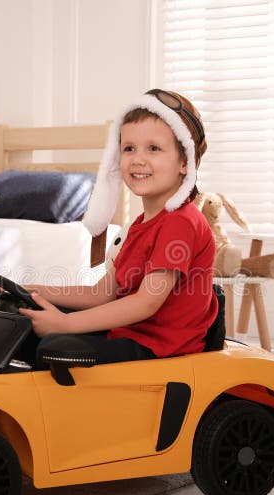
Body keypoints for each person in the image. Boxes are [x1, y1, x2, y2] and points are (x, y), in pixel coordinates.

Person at [13, 89, 218, 368]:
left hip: (161, 347)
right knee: (26, 323)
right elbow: (101, 294)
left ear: (185, 162)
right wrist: (33, 292)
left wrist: (66, 323)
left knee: (52, 348)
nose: (137, 159)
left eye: (153, 148)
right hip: (132, 332)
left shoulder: (180, 222)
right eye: (129, 148)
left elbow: (145, 303)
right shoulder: (141, 225)